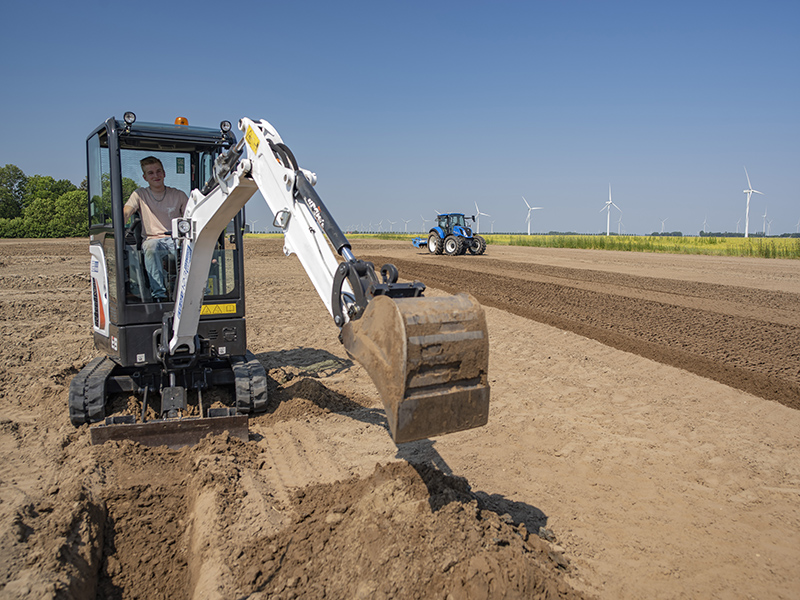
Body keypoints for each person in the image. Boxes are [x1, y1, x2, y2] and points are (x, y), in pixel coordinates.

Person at [123, 157, 188, 301]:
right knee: (151, 248)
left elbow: (192, 216)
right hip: (153, 239)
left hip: (177, 240)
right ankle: (160, 295)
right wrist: (121, 219)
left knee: (193, 248)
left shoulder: (179, 195)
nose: (156, 175)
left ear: (164, 173)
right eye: (151, 173)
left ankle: (195, 291)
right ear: (145, 177)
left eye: (159, 171)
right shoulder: (140, 195)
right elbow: (127, 210)